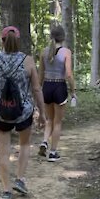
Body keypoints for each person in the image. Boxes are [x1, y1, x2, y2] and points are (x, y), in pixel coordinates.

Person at [0, 26, 44, 199]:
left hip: (0, 112)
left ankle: (6, 191)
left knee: (4, 152)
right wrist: (41, 112)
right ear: (18, 40)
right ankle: (20, 179)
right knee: (24, 145)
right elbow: (36, 88)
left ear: (1, 40)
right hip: (24, 112)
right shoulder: (28, 61)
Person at [36, 23, 77, 162]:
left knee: (49, 120)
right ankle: (53, 153)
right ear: (63, 38)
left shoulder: (43, 52)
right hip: (59, 87)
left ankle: (44, 141)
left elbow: (40, 74)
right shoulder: (66, 52)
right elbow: (69, 74)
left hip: (46, 87)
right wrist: (73, 91)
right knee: (58, 122)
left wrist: (38, 92)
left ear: (51, 37)